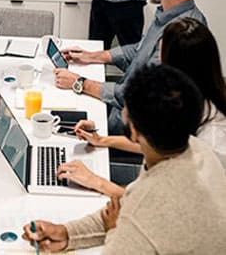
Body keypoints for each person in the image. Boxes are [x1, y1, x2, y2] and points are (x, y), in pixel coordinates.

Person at [23, 65, 226, 254]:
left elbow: (128, 218)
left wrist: (114, 229)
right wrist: (67, 233)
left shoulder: (144, 205)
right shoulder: (198, 150)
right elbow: (124, 209)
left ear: (134, 130)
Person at [59, 18, 226, 196]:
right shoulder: (189, 102)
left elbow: (159, 205)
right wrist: (101, 140)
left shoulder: (211, 142)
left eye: (162, 59)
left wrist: (96, 182)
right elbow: (161, 146)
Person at [54, 0, 206, 133]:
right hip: (123, 103)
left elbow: (138, 97)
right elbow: (138, 50)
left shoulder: (180, 34)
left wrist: (79, 83)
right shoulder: (168, 14)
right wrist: (93, 56)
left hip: (132, 124)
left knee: (54, 123)